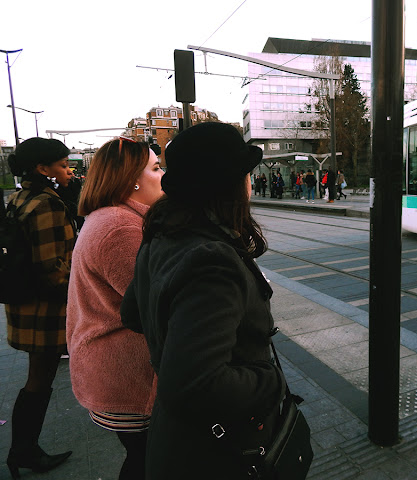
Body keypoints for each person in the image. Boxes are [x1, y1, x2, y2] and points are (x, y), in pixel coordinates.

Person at [119, 122, 286, 479]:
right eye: (247, 174)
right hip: (216, 450)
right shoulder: (211, 259)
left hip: (174, 438)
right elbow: (195, 385)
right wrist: (269, 381)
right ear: (229, 185)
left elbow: (132, 312)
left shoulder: (161, 235)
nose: (251, 184)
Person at [66, 137, 164, 480]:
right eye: (155, 167)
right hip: (128, 380)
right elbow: (155, 305)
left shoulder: (113, 218)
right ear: (131, 180)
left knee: (145, 459)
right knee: (148, 462)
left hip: (114, 372)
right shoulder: (120, 227)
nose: (163, 174)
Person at [4, 137, 76, 479]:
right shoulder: (47, 204)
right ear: (42, 169)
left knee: (39, 378)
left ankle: (23, 450)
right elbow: (52, 269)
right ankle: (24, 451)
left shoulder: (19, 198)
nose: (68, 170)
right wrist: (80, 293)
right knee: (39, 379)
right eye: (62, 165)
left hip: (25, 303)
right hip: (44, 310)